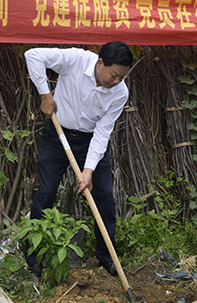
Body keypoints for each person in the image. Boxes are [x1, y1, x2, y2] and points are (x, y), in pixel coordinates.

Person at [23, 41, 135, 278]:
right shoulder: (75, 60)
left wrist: (88, 170)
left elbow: (104, 131)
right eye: (114, 75)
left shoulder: (120, 92)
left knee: (103, 196)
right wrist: (45, 95)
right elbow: (33, 56)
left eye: (121, 78)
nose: (116, 82)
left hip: (89, 141)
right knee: (46, 192)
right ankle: (33, 258)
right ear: (101, 62)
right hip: (58, 134)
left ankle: (107, 256)